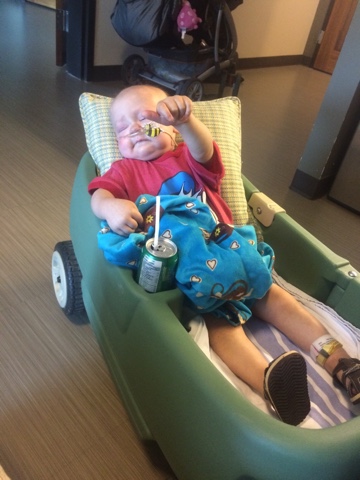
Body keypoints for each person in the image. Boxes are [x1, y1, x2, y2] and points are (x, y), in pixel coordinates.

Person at [89, 84, 360, 426]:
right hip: (192, 278)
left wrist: (188, 121)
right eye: (122, 128)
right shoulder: (124, 172)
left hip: (234, 253)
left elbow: (203, 149)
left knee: (273, 297)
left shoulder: (186, 155)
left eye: (146, 118)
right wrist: (112, 207)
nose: (134, 129)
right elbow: (98, 195)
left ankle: (340, 360)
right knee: (219, 325)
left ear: (171, 129)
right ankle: (270, 382)